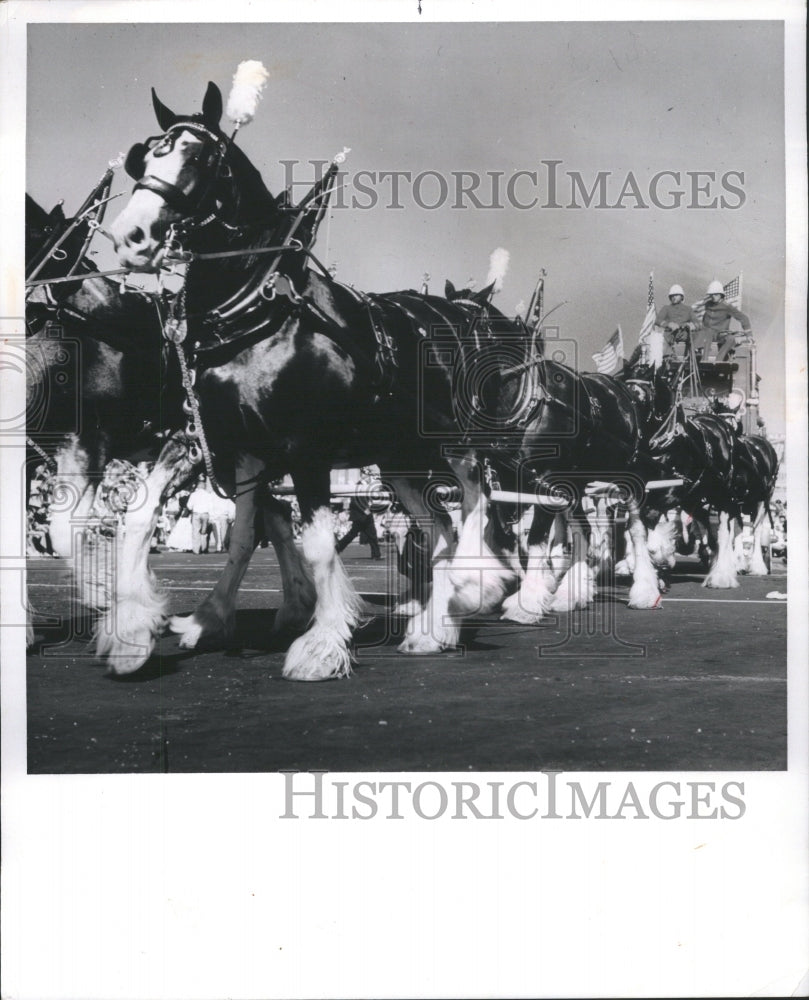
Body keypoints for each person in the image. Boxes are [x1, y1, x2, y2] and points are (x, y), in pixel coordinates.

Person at [694, 280, 752, 362]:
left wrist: (749, 334)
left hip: (720, 334)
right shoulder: (707, 304)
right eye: (711, 295)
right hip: (707, 333)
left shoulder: (727, 307)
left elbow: (744, 318)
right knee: (704, 332)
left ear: (721, 295)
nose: (713, 296)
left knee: (731, 338)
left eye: (716, 294)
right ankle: (704, 360)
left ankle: (718, 361)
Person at [335, 468, 383, 559]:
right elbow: (354, 501)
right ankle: (337, 549)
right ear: (362, 475)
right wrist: (364, 510)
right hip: (359, 516)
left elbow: (370, 500)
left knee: (372, 535)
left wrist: (370, 507)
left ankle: (376, 555)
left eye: (369, 474)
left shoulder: (368, 486)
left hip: (367, 516)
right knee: (352, 535)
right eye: (367, 474)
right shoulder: (357, 486)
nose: (368, 476)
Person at [654, 284, 697, 357]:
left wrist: (693, 325)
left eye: (676, 295)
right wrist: (668, 324)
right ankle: (668, 357)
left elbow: (697, 322)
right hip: (670, 334)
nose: (674, 297)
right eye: (672, 296)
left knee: (696, 335)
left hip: (685, 334)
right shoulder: (666, 308)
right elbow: (657, 320)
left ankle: (695, 353)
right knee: (664, 344)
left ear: (682, 297)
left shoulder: (688, 309)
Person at [186, 476, 214, 554]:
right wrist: (211, 516)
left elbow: (189, 506)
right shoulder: (208, 495)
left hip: (196, 514)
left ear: (198, 487)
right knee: (204, 532)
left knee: (195, 531)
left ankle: (196, 549)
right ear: (204, 487)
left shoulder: (193, 495)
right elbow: (211, 506)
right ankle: (204, 548)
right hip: (205, 514)